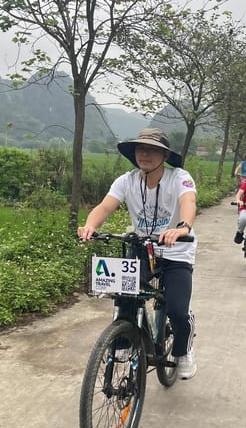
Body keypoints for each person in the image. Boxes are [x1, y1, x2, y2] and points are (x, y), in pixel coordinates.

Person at [77, 128, 199, 379]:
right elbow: (105, 206)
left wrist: (182, 227)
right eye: (140, 149)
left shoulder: (180, 177)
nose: (144, 154)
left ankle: (183, 351)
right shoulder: (127, 181)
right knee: (124, 296)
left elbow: (188, 201)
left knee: (177, 309)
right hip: (143, 248)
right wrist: (91, 225)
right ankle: (125, 333)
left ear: (165, 155)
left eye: (153, 149)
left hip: (177, 250)